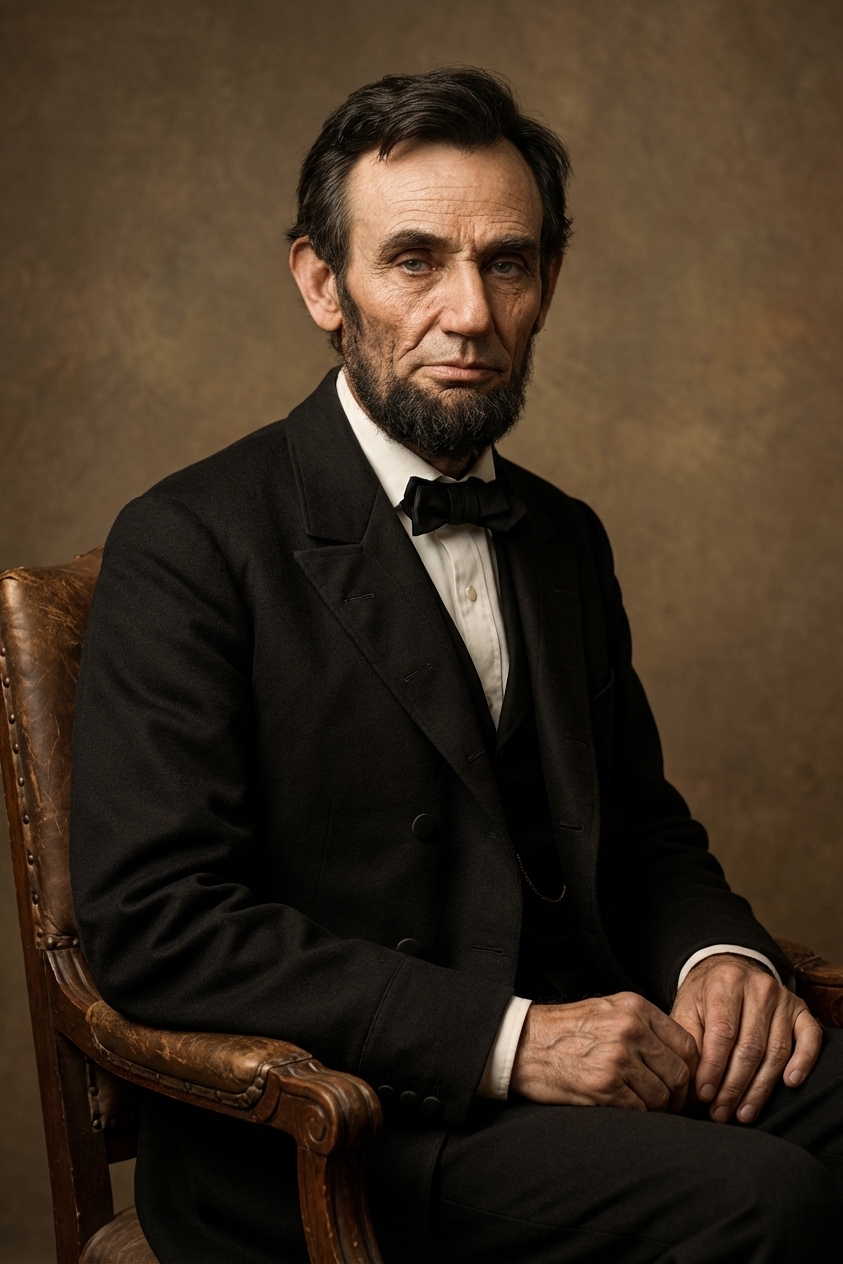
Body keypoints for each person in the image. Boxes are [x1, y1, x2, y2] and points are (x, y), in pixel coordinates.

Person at [70, 67, 843, 1263]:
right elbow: (160, 924)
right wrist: (513, 1039)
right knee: (767, 1202)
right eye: (416, 261)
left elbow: (637, 828)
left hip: (591, 1055)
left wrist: (720, 956)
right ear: (321, 283)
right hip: (341, 1127)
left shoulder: (564, 534)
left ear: (548, 285)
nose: (471, 313)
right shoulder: (185, 541)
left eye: (508, 264)